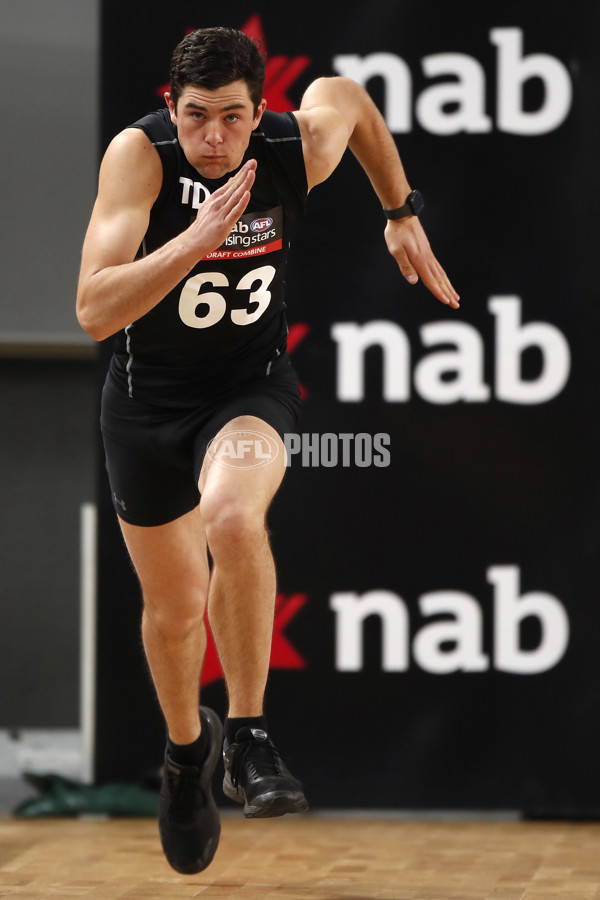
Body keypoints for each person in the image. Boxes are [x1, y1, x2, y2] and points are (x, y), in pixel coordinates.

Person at [76, 26, 459, 875]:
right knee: (175, 615)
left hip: (248, 390)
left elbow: (350, 101)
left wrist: (400, 211)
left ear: (260, 114)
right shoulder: (139, 158)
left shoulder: (293, 146)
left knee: (233, 517)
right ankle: (186, 757)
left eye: (234, 119)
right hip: (145, 408)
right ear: (169, 107)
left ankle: (247, 737)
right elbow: (94, 311)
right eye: (199, 118)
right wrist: (192, 241)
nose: (215, 139)